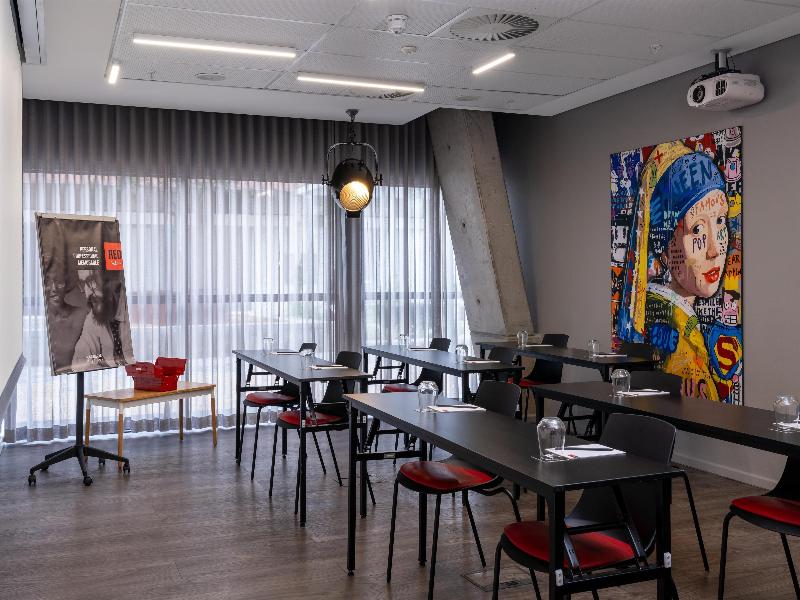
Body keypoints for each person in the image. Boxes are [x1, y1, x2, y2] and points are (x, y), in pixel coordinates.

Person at [616, 140, 741, 401]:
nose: (714, 249)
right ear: (664, 247)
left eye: (720, 221)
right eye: (697, 229)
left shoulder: (663, 312)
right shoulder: (681, 336)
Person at [72, 268, 134, 370]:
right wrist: (102, 359)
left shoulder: (130, 308)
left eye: (91, 281)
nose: (87, 292)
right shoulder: (94, 317)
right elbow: (79, 362)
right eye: (82, 284)